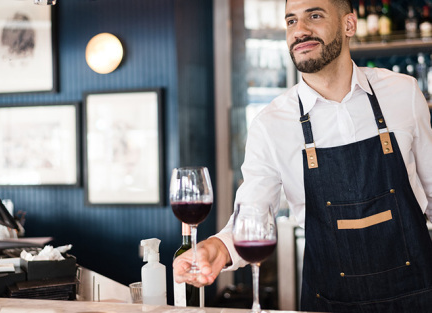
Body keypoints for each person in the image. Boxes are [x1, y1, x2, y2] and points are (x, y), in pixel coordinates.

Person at [173, 0, 432, 312]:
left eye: (315, 15)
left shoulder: (403, 93)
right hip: (329, 301)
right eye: (291, 21)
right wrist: (216, 248)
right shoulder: (271, 124)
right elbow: (253, 213)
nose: (301, 30)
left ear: (349, 25)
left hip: (418, 296)